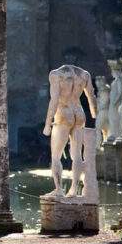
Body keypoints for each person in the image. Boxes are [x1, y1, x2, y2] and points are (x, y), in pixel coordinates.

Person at [42, 65, 96, 198]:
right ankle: (73, 190)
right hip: (79, 112)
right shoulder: (84, 74)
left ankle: (59, 189)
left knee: (55, 156)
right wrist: (95, 116)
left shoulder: (56, 74)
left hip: (63, 112)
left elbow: (54, 100)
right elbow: (91, 97)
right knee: (77, 154)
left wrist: (48, 123)